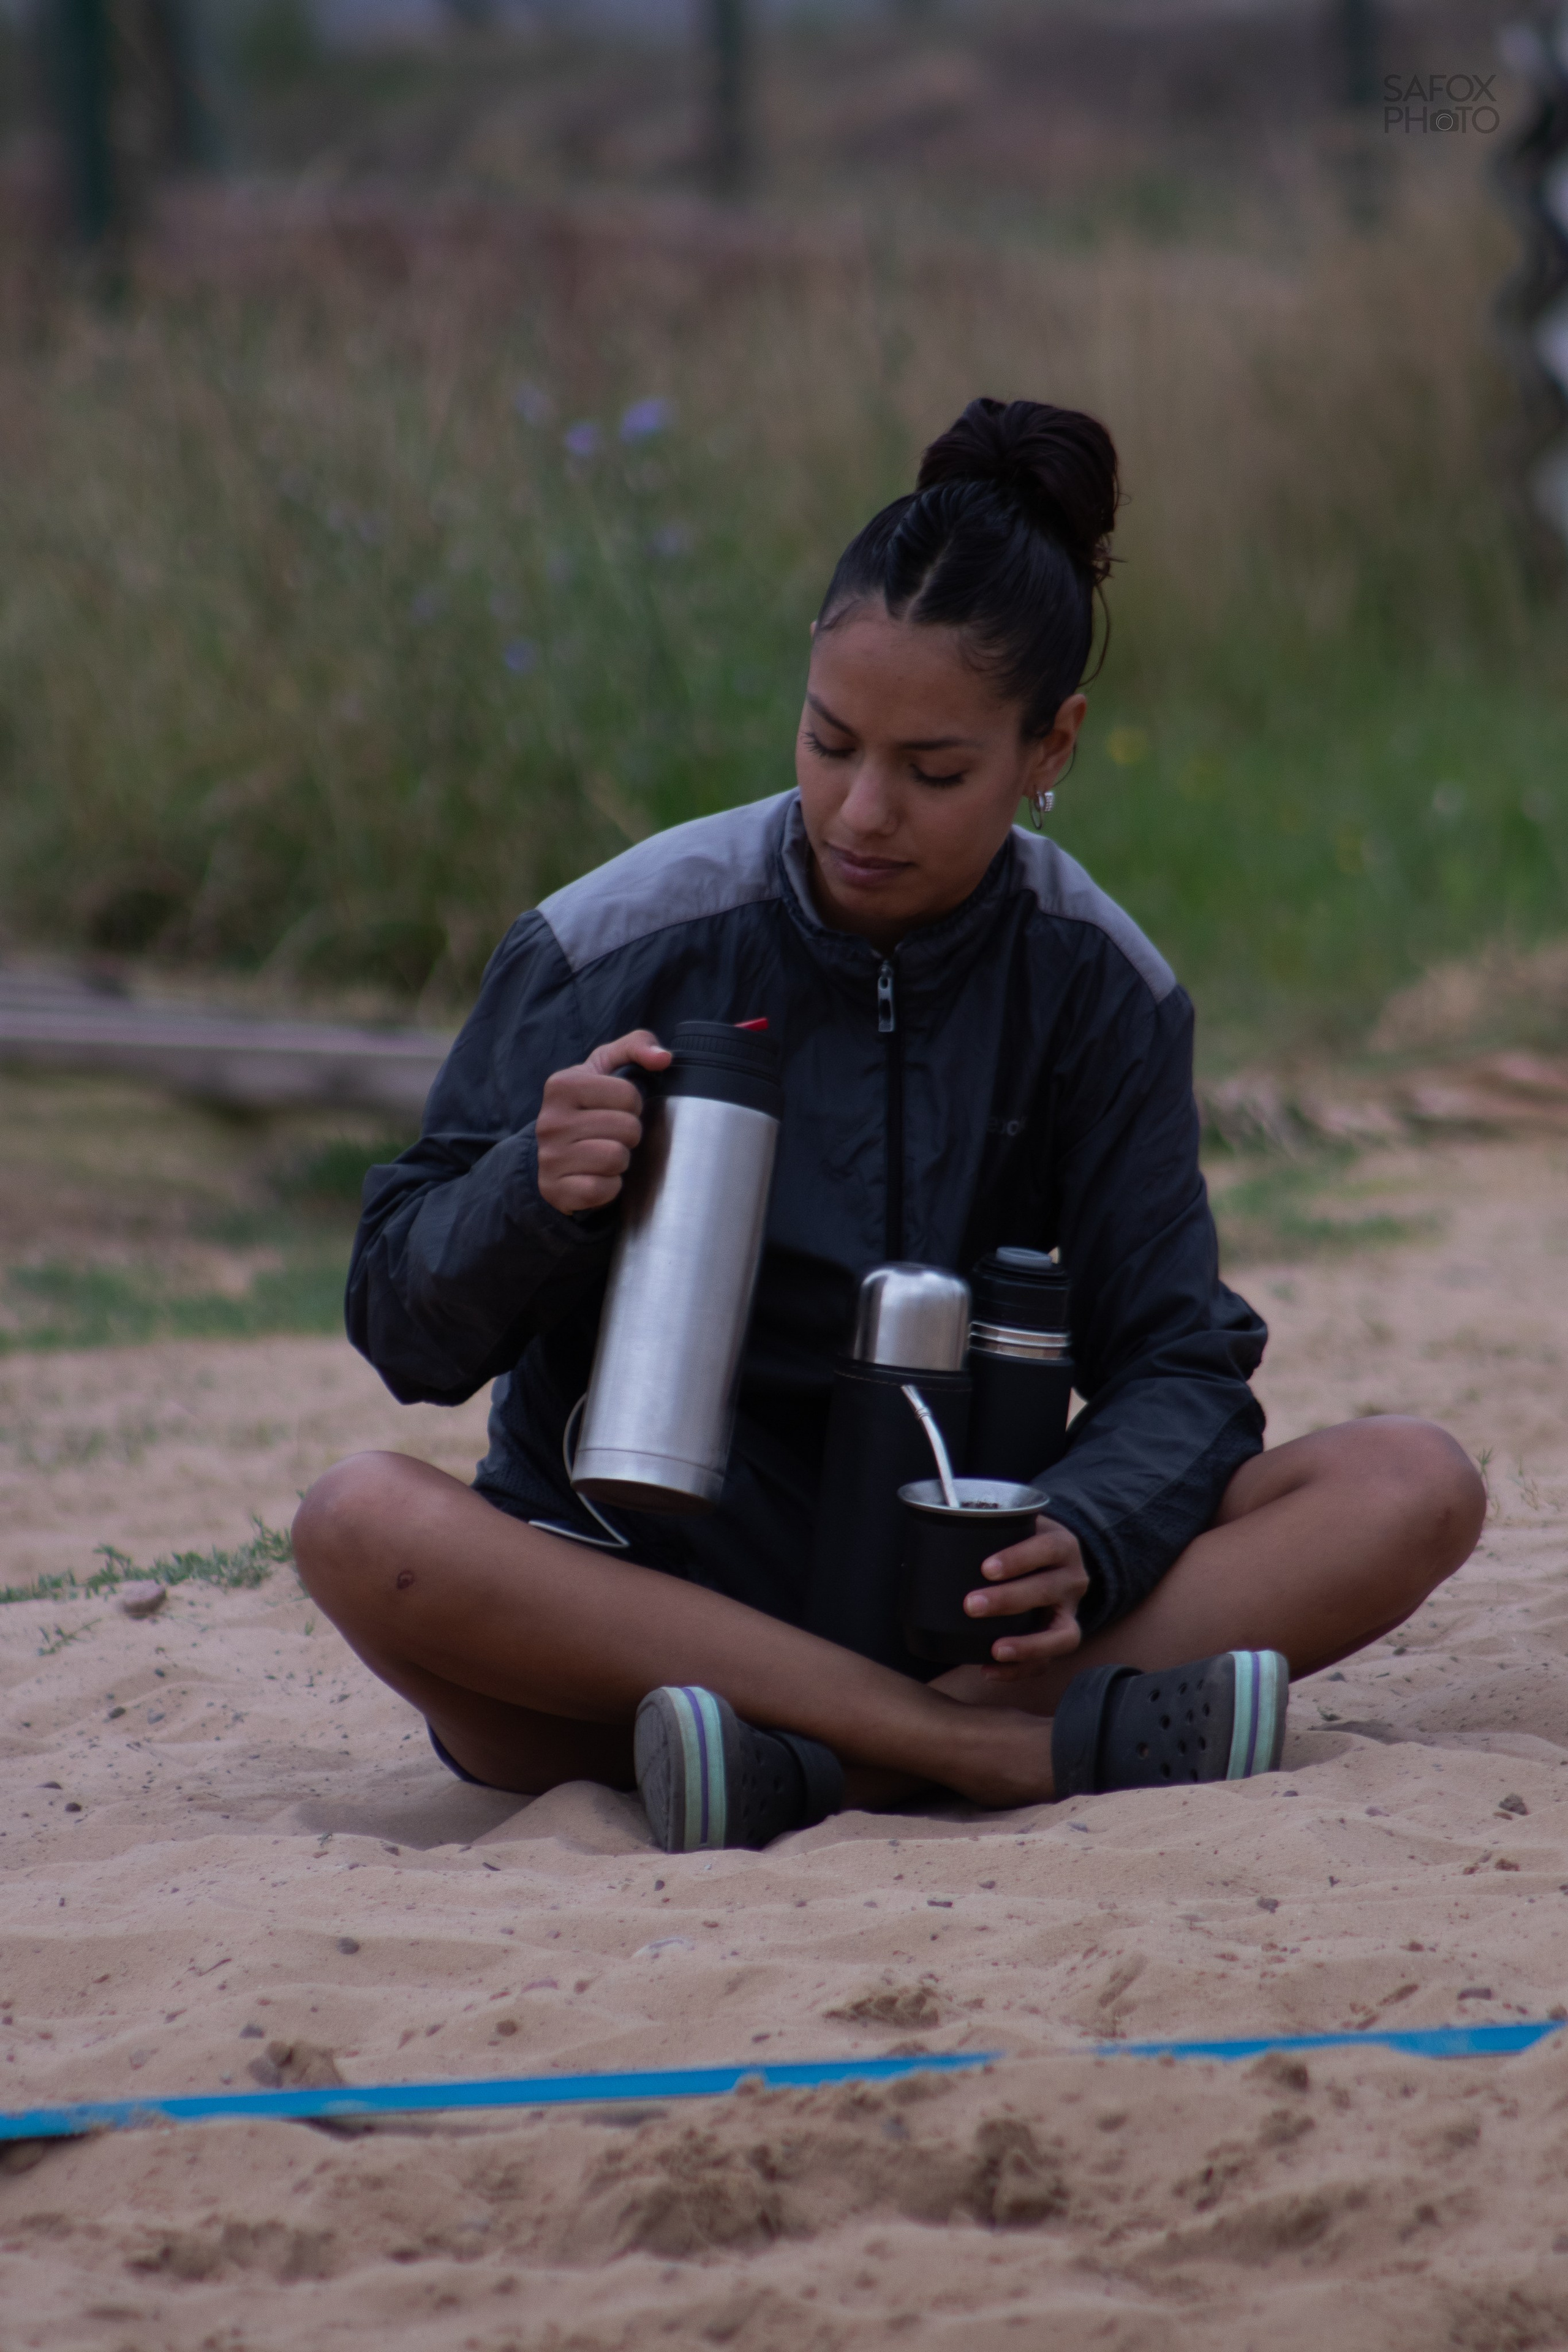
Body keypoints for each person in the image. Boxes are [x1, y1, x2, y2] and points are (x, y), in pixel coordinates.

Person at [293, 396, 1485, 1852]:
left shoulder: (1097, 984)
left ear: (1050, 746)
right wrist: (532, 1191)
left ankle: (819, 1766)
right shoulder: (610, 941)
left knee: (1409, 1484)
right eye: (827, 743)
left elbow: (1175, 1358)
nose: (861, 812)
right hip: (639, 1598)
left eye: (933, 773)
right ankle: (974, 1753)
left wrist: (1089, 1531)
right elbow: (400, 1327)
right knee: (360, 1524)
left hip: (958, 1597)